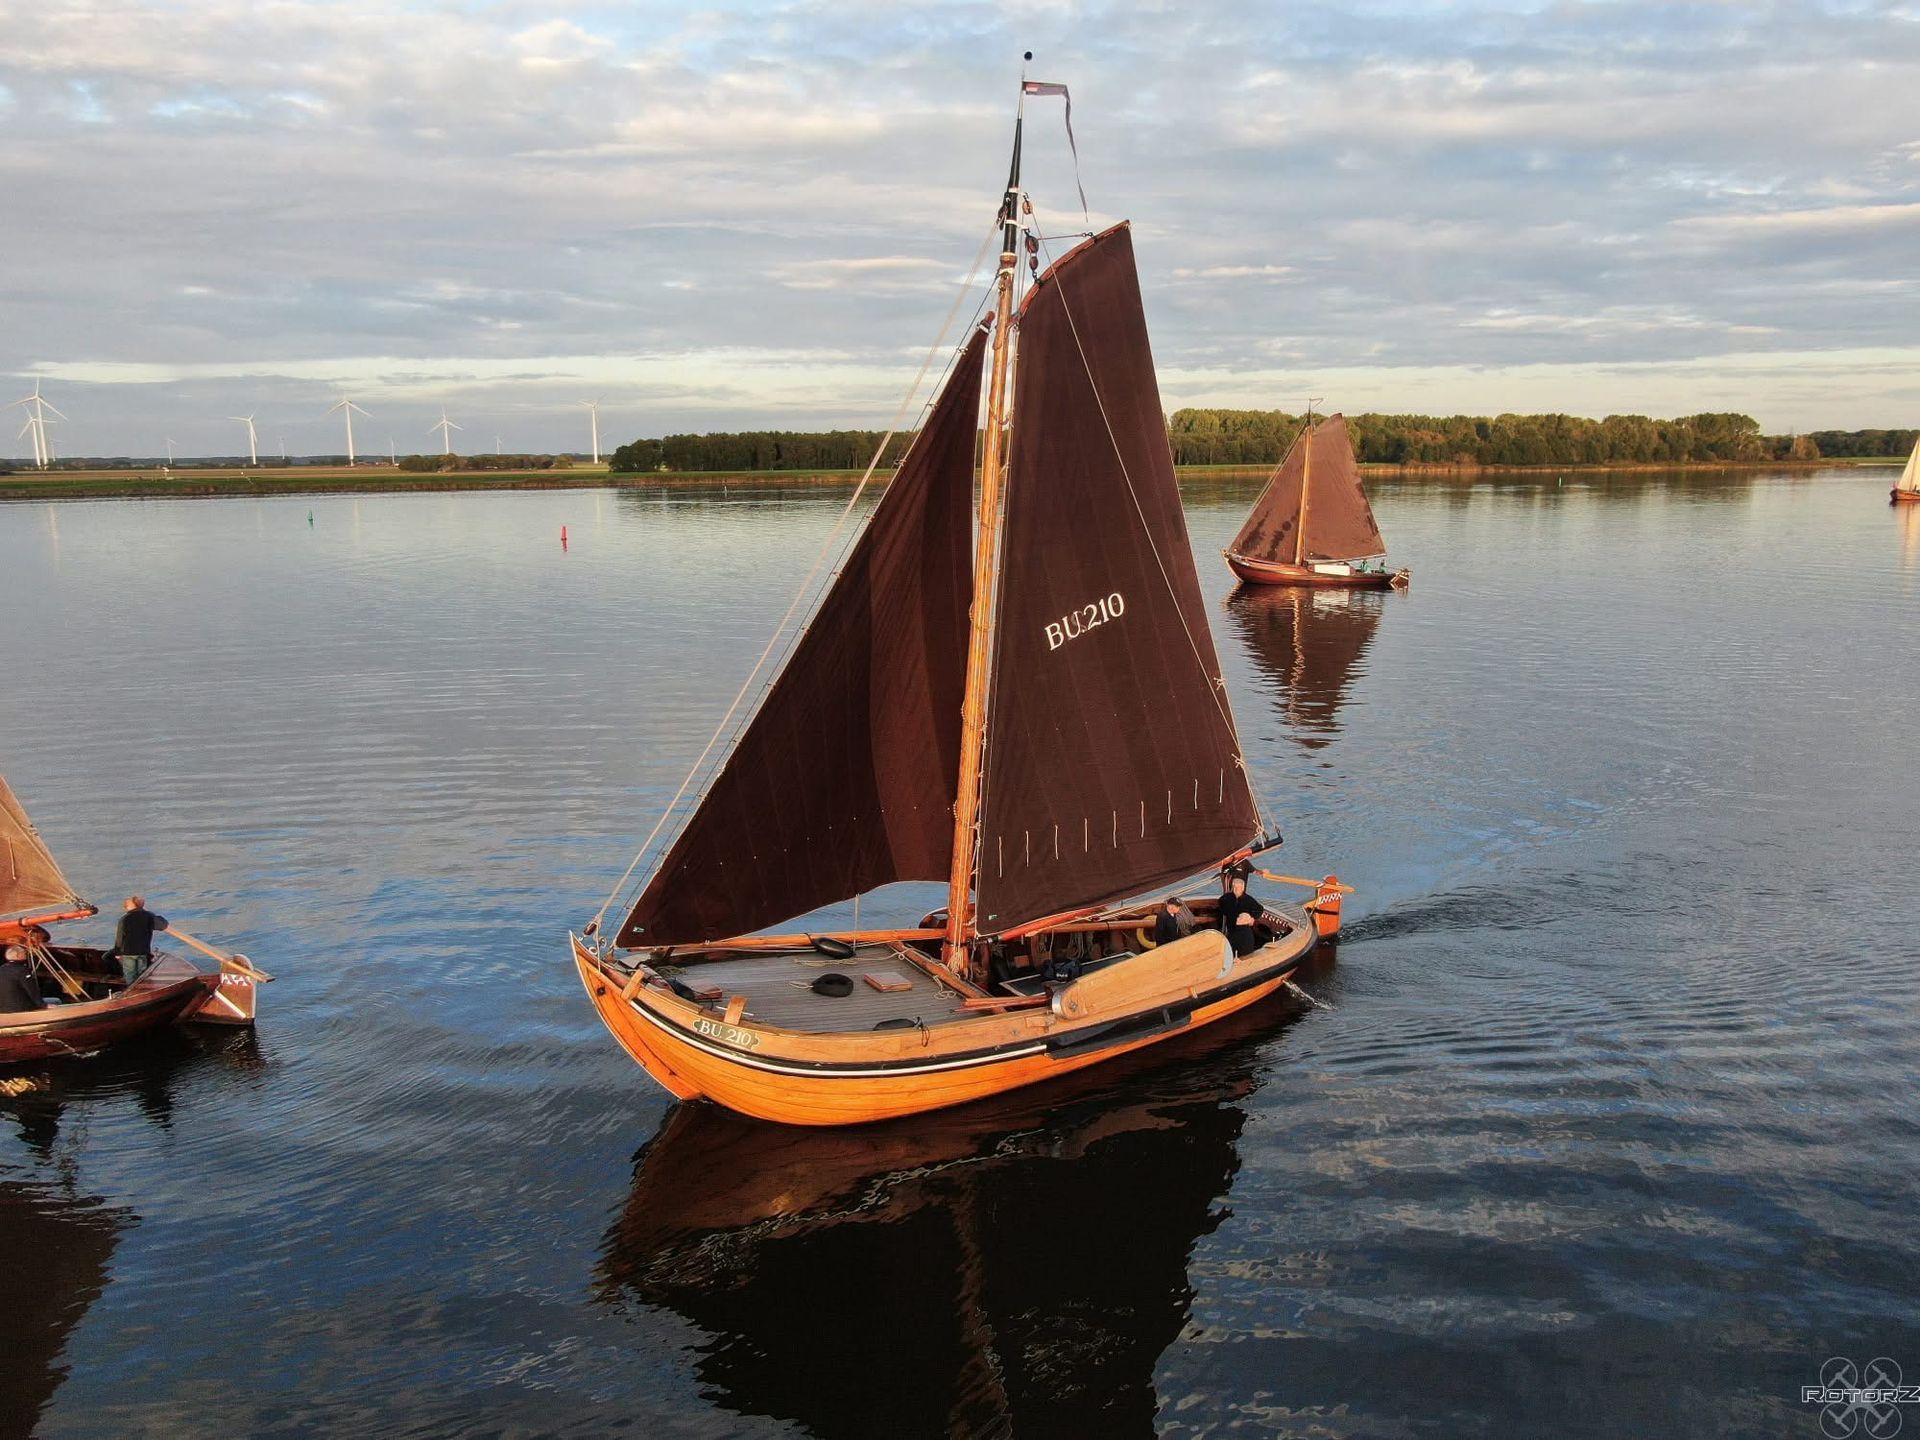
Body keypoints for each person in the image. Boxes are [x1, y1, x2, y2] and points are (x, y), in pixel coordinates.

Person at [108, 896, 168, 984]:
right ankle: (141, 987)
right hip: (142, 950)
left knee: (130, 974)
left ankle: (131, 990)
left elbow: (120, 937)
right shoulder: (148, 916)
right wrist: (154, 915)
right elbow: (162, 925)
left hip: (128, 952)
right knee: (142, 973)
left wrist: (117, 952)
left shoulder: (124, 919)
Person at [1219, 873, 1268, 958]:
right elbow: (1221, 903)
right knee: (1230, 949)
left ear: (1243, 888)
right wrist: (1226, 912)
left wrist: (1252, 918)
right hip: (1231, 929)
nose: (1236, 889)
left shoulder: (1248, 900)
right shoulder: (1227, 898)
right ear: (1232, 887)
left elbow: (1260, 909)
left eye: (1239, 887)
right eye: (1234, 887)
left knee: (1245, 950)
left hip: (1243, 930)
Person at [0, 945, 44, 1012]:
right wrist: (43, 1005)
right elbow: (31, 990)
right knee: (56, 1000)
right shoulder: (22, 970)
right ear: (18, 955)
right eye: (24, 953)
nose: (26, 955)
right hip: (21, 1008)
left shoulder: (1, 969)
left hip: (3, 1009)